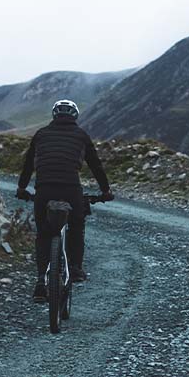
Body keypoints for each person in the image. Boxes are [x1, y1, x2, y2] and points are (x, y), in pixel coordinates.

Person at [16, 99, 113, 302]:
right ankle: (75, 269)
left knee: (43, 234)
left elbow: (28, 165)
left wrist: (22, 188)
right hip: (71, 189)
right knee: (76, 225)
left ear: (54, 115)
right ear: (74, 116)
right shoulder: (81, 135)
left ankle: (41, 282)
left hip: (44, 189)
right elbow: (96, 166)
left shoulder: (41, 134)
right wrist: (105, 191)